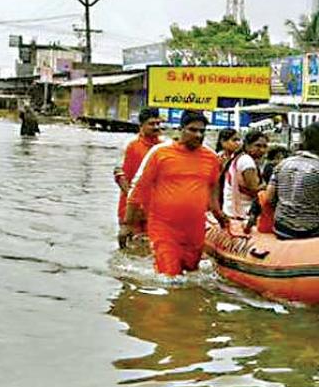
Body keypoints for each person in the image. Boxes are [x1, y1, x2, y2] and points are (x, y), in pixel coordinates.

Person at [122, 110, 229, 276]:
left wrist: (219, 214)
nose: (198, 135)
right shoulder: (160, 153)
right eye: (193, 130)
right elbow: (139, 187)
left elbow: (213, 189)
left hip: (194, 229)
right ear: (181, 129)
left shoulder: (211, 158)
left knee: (191, 273)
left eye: (202, 131)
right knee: (169, 276)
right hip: (164, 227)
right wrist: (127, 223)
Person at [114, 107, 164, 247]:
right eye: (152, 124)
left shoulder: (164, 147)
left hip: (154, 210)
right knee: (131, 250)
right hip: (130, 209)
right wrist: (134, 201)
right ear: (141, 125)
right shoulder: (129, 145)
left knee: (151, 249)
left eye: (158, 123)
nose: (156, 127)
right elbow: (119, 175)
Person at [222, 130, 269, 219]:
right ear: (247, 145)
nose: (262, 150)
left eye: (264, 146)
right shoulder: (247, 161)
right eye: (258, 146)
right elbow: (254, 190)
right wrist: (267, 186)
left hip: (231, 210)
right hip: (242, 213)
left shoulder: (240, 157)